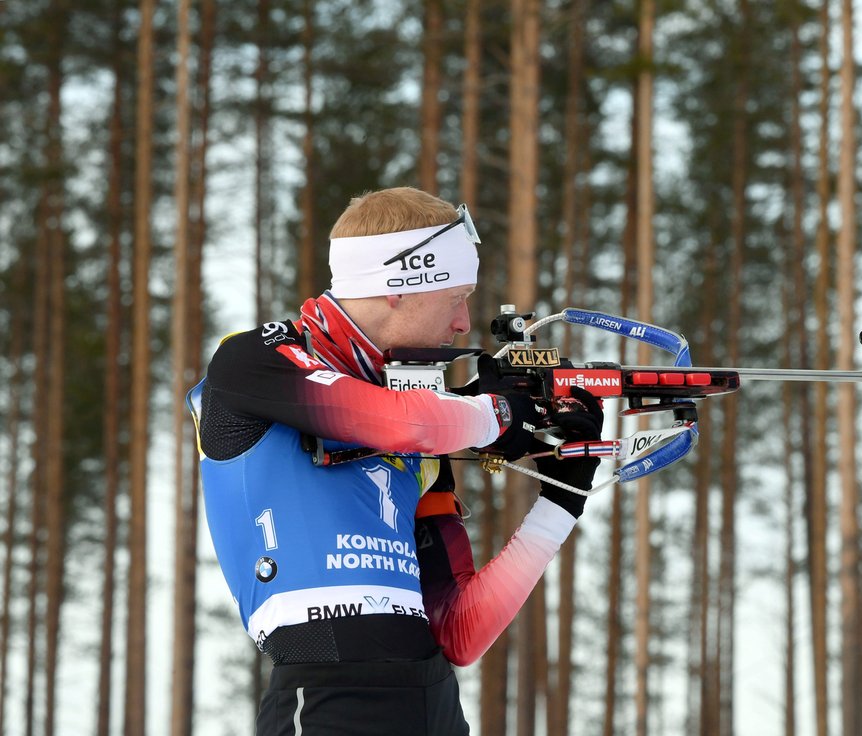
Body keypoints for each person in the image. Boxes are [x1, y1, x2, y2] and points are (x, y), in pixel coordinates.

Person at [187, 186, 604, 735]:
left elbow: (459, 632)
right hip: (328, 695)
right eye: (457, 297)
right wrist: (498, 412)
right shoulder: (254, 359)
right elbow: (405, 422)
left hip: (435, 705)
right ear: (398, 288)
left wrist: (560, 502)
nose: (464, 323)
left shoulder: (425, 428)